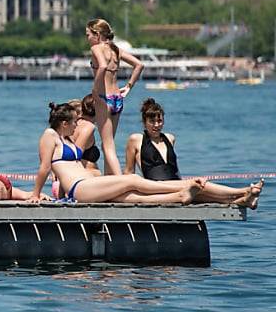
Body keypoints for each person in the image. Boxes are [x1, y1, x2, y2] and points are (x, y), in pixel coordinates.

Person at [29, 102, 202, 204]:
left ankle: (178, 196)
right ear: (64, 123)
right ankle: (181, 186)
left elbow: (66, 169)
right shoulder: (49, 135)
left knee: (129, 196)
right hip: (80, 189)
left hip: (88, 185)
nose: (77, 124)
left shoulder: (66, 139)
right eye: (75, 121)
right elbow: (44, 168)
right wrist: (35, 195)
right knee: (133, 180)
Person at [124, 98, 262, 208]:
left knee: (211, 197)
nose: (156, 125)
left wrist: (183, 184)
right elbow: (129, 172)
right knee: (200, 185)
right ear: (144, 122)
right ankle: (244, 191)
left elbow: (175, 170)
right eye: (152, 121)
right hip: (156, 187)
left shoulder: (170, 138)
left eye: (159, 120)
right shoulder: (136, 139)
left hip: (176, 185)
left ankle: (244, 200)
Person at [86, 18, 143, 175]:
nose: (87, 39)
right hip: (117, 98)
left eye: (88, 34)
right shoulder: (116, 49)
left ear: (97, 34)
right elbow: (139, 65)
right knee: (108, 144)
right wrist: (129, 86)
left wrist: (95, 90)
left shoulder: (96, 48)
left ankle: (119, 180)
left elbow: (103, 66)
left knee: (107, 146)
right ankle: (109, 179)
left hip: (104, 98)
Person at [70, 94, 102, 177]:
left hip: (82, 178)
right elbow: (74, 157)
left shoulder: (74, 125)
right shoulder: (88, 127)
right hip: (85, 179)